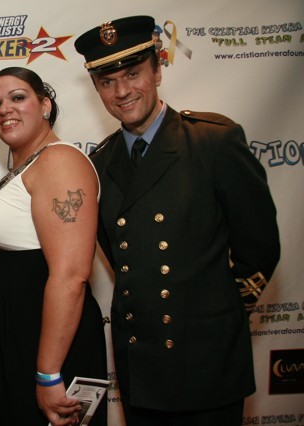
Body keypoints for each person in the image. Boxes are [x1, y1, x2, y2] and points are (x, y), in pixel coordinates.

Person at [74, 15, 280, 425]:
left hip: (206, 359)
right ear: (96, 88)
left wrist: (217, 315)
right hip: (141, 362)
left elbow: (260, 247)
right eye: (107, 81)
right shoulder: (99, 163)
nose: (122, 91)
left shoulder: (213, 141)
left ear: (157, 70)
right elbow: (122, 259)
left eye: (133, 74)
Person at [0, 67, 107, 426]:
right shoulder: (24, 167)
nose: (4, 109)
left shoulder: (59, 160)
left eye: (17, 97)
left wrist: (48, 373)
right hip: (14, 328)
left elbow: (71, 275)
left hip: (44, 335)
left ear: (45, 105)